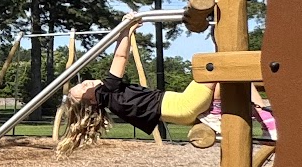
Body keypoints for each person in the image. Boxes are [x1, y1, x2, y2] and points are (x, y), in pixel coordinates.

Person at [61, 31, 215, 151]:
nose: (86, 83)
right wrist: (126, 29)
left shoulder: (113, 102)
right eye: (84, 89)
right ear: (93, 101)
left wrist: (126, 31)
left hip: (181, 115)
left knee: (218, 72)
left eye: (82, 84)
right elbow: (120, 56)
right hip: (183, 105)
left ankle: (216, 111)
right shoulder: (107, 92)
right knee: (213, 68)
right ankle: (216, 113)